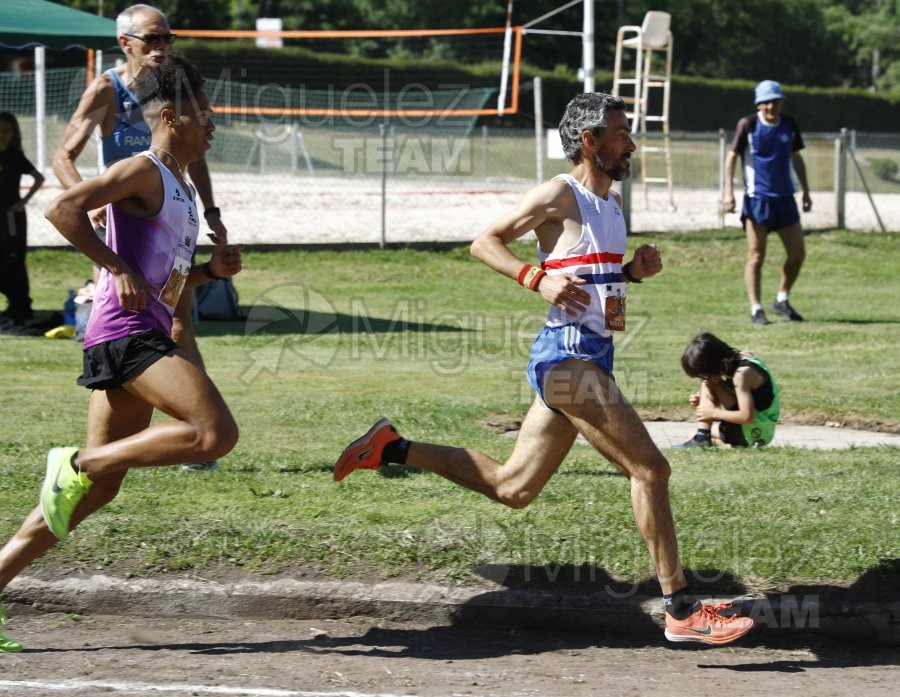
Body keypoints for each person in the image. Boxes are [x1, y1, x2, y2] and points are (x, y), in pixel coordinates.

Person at [334, 93, 754, 646]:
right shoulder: (561, 192)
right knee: (651, 470)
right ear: (591, 142)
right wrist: (536, 278)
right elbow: (484, 243)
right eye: (622, 134)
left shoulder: (612, 202)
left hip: (588, 359)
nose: (632, 144)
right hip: (566, 360)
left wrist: (632, 271)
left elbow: (594, 280)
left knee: (513, 487)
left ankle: (390, 447)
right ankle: (680, 608)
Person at [0, 54, 242, 653]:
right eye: (202, 112)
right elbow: (62, 208)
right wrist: (114, 266)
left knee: (98, 492)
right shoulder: (141, 169)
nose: (212, 123)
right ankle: (76, 462)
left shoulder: (180, 187)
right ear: (169, 116)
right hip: (126, 333)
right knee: (214, 435)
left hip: (142, 331)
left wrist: (209, 270)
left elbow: (170, 282)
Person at [52, 3, 224, 469]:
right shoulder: (107, 87)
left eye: (168, 38)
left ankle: (186, 439)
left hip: (170, 209)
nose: (162, 46)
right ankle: (197, 433)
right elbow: (64, 155)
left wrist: (210, 212)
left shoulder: (174, 91)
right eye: (153, 39)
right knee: (127, 319)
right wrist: (98, 205)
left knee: (178, 313)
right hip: (125, 224)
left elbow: (195, 153)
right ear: (124, 42)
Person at [724, 80, 811, 326]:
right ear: (759, 104)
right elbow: (732, 158)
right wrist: (729, 192)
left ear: (781, 102)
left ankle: (782, 299)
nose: (771, 106)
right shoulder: (748, 125)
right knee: (756, 255)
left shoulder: (790, 125)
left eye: (775, 101)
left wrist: (805, 191)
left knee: (797, 254)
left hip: (785, 200)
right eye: (766, 101)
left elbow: (796, 158)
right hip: (757, 200)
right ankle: (756, 308)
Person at [676, 333, 780, 449]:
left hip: (755, 430)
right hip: (762, 429)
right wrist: (709, 402)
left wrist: (713, 412)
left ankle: (703, 437)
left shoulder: (742, 374)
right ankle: (706, 438)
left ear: (713, 365)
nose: (705, 379)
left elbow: (747, 417)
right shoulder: (742, 359)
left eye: (705, 375)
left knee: (709, 384)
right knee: (692, 434)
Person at [0, 112, 45, 331]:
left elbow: (39, 177)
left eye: (6, 130)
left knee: (14, 260)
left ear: (13, 134)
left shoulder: (15, 156)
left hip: (12, 218)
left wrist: (22, 202)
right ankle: (10, 302)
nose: (2, 135)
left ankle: (21, 304)